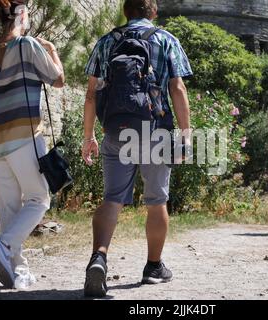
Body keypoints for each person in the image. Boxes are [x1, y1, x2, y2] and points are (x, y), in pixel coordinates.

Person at [81, 0, 192, 297]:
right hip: (154, 130)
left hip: (116, 130)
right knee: (156, 200)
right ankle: (153, 267)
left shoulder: (107, 41)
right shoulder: (166, 39)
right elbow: (177, 88)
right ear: (153, 12)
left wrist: (88, 135)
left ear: (125, 12)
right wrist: (186, 134)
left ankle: (99, 257)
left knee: (112, 199)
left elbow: (91, 95)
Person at [0, 0, 64, 289]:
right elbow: (58, 80)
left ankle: (18, 272)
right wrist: (53, 52)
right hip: (24, 137)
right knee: (39, 199)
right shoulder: (28, 45)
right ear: (21, 14)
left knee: (9, 210)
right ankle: (5, 245)